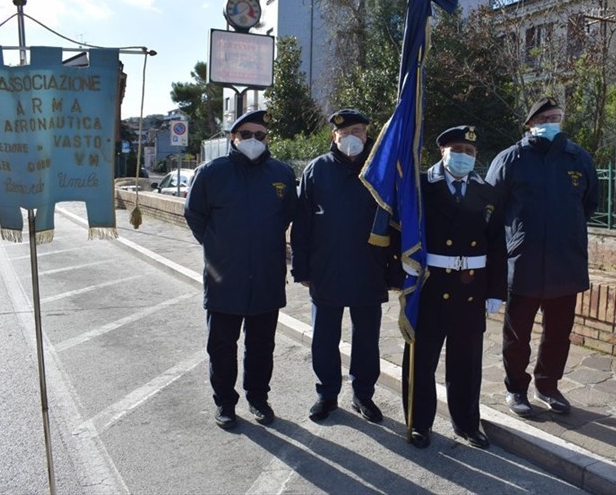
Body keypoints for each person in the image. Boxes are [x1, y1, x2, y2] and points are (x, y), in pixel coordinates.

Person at [485, 97, 598, 417]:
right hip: (524, 262)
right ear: (530, 124)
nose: (552, 122)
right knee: (517, 334)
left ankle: (548, 385)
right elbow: (491, 211)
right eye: (546, 117)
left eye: (557, 117)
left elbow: (589, 204)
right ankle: (516, 389)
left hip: (566, 262)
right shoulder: (511, 159)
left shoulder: (578, 159)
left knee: (558, 333)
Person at [184, 109, 297, 429]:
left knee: (261, 346)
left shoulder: (282, 173)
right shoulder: (211, 173)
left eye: (259, 135)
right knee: (221, 346)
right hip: (225, 278)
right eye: (245, 135)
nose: (252, 141)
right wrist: (218, 246)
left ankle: (258, 398)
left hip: (266, 277)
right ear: (233, 138)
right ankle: (225, 403)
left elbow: (288, 216)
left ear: (267, 138)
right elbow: (194, 215)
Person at [291, 109, 402, 423]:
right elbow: (301, 226)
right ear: (334, 136)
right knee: (324, 339)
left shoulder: (379, 173)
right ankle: (327, 395)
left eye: (360, 132)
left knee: (366, 340)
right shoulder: (316, 171)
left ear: (368, 136)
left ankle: (363, 395)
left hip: (369, 271)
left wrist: (394, 273)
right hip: (326, 271)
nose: (354, 138)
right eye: (347, 132)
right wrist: (301, 269)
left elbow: (395, 226)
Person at [403, 125, 506, 450]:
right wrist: (402, 274)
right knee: (421, 360)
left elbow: (497, 246)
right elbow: (402, 232)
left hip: (472, 289)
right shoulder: (420, 186)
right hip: (431, 286)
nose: (464, 156)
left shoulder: (486, 193)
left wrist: (495, 291)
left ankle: (466, 423)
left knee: (467, 362)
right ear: (442, 151)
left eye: (470, 152)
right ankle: (419, 422)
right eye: (457, 150)